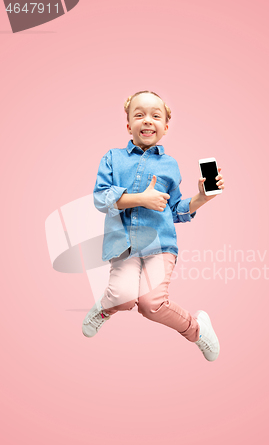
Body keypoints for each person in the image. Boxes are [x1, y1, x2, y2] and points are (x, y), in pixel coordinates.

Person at [82, 90, 225, 361]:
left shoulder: (171, 166)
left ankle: (198, 331)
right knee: (122, 299)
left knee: (150, 305)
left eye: (155, 116)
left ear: (165, 127)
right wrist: (140, 199)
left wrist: (201, 198)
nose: (147, 120)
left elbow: (174, 210)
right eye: (139, 115)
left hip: (160, 245)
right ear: (129, 126)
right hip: (123, 244)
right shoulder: (113, 158)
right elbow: (101, 198)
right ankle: (104, 309)